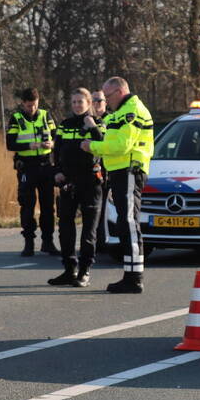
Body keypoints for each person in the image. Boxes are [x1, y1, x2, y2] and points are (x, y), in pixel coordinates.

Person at [81, 76, 154, 293]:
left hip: (129, 170)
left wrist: (92, 146)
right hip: (121, 173)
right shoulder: (121, 113)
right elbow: (112, 140)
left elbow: (121, 145)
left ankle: (134, 278)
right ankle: (130, 274)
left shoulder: (132, 112)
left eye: (107, 96)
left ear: (119, 92)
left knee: (129, 223)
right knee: (125, 222)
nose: (105, 101)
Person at [47, 88, 104, 287]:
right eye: (74, 102)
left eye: (80, 102)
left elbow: (104, 146)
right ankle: (69, 269)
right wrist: (57, 172)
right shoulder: (65, 124)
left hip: (90, 182)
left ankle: (85, 271)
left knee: (88, 231)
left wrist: (93, 127)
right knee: (65, 228)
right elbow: (57, 149)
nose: (77, 105)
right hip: (68, 182)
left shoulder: (98, 123)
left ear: (89, 103)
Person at [5, 87, 59, 257]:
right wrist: (29, 146)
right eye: (29, 106)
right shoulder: (16, 118)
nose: (32, 109)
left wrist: (52, 144)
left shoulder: (45, 115)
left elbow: (57, 136)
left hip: (45, 165)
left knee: (48, 206)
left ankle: (48, 242)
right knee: (27, 206)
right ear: (23, 104)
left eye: (34, 105)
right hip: (27, 166)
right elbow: (10, 144)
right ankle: (29, 243)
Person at [91, 90, 111, 253]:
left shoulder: (111, 120)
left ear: (106, 102)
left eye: (99, 100)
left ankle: (106, 240)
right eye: (92, 101)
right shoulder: (87, 120)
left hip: (108, 170)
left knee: (106, 207)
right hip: (92, 171)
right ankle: (96, 241)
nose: (96, 104)